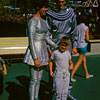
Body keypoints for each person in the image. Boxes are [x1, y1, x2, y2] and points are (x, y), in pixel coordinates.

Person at [23, 0, 57, 100]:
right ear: (38, 7)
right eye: (43, 7)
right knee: (33, 79)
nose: (45, 9)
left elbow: (46, 38)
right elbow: (31, 41)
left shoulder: (44, 22)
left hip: (43, 52)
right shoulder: (32, 21)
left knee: (39, 79)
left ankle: (36, 97)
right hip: (34, 53)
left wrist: (57, 47)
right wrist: (35, 58)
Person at [71, 15, 93, 82]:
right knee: (79, 62)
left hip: (78, 46)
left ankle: (87, 74)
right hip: (83, 46)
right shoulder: (86, 28)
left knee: (84, 60)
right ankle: (71, 76)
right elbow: (87, 38)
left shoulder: (76, 27)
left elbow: (74, 37)